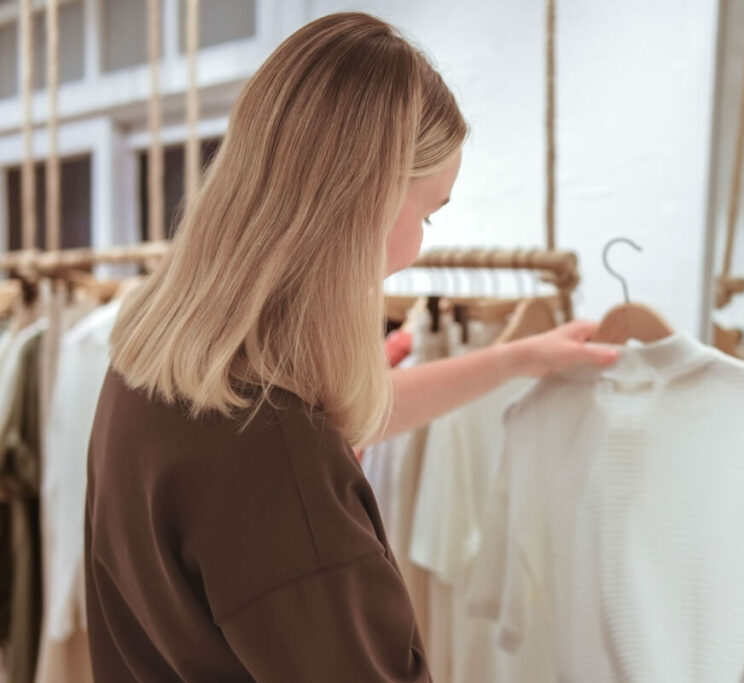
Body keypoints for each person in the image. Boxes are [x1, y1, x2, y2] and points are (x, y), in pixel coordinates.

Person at [84, 13, 617, 682]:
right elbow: (296, 455)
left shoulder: (155, 361)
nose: (417, 246)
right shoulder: (276, 463)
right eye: (428, 214)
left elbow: (340, 414)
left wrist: (517, 358)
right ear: (365, 200)